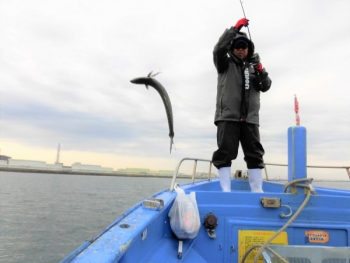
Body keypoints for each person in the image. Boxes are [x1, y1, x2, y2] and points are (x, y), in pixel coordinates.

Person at [212, 18, 272, 192]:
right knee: (224, 153)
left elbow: (266, 86)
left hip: (250, 120)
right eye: (237, 46)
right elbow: (218, 49)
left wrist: (261, 70)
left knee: (255, 154)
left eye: (243, 46)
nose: (240, 49)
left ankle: (257, 190)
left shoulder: (255, 68)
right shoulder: (224, 64)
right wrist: (234, 28)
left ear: (248, 49)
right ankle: (225, 189)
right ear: (232, 48)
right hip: (227, 117)